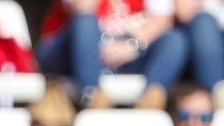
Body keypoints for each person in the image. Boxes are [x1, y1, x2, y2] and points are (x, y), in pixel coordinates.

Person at [35, 0, 185, 112]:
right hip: (71, 52)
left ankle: (152, 98)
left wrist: (133, 46)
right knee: (85, 22)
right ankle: (92, 95)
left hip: (128, 51)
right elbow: (83, 7)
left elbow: (162, 20)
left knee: (175, 39)